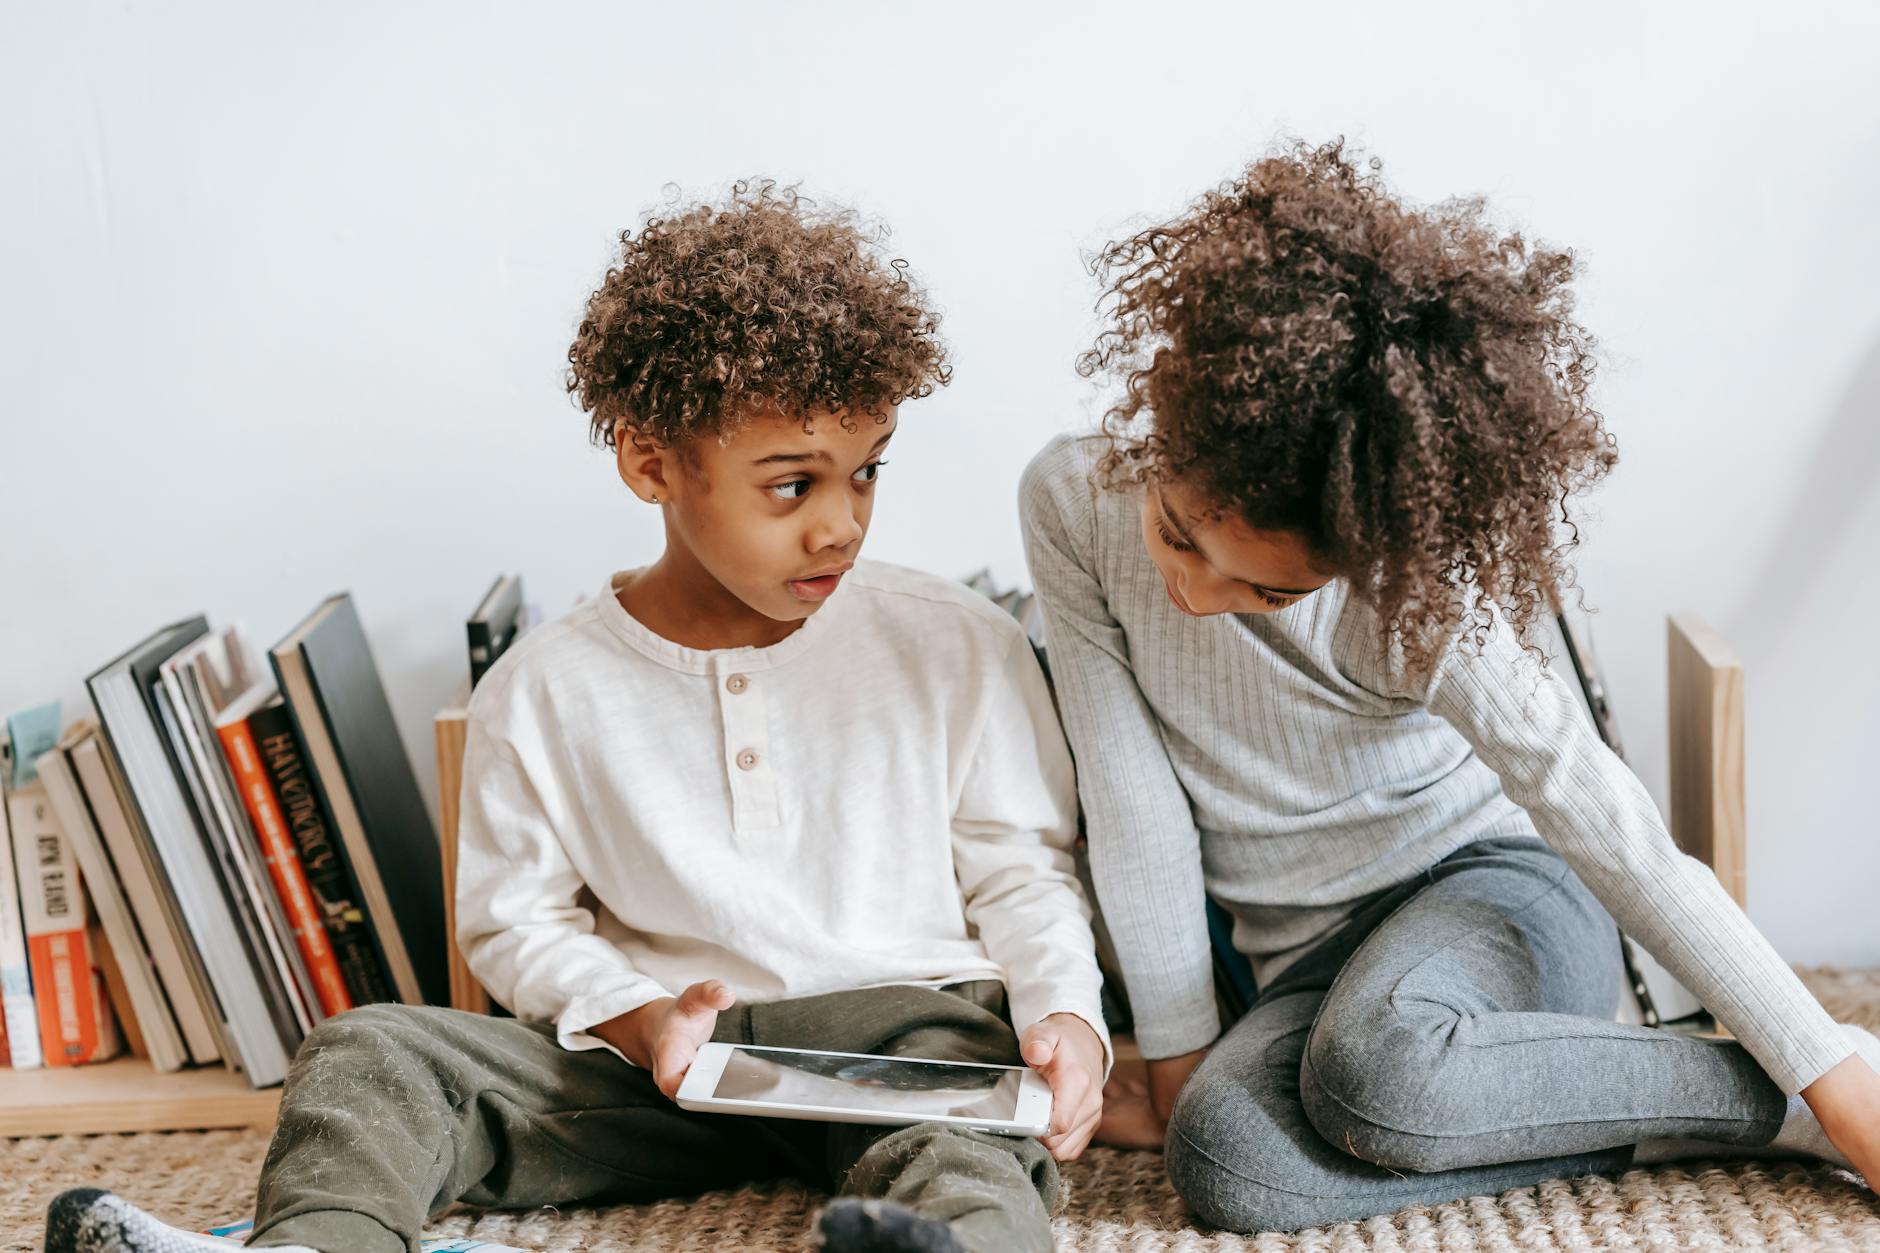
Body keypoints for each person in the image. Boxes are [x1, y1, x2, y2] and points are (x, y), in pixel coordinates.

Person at [48, 180, 1107, 1253]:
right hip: (662, 1064)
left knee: (968, 1145)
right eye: (791, 485)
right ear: (651, 462)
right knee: (371, 1050)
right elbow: (516, 918)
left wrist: (1066, 1015)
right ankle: (317, 1241)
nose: (840, 524)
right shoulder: (543, 683)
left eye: (865, 472)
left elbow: (1020, 866)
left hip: (898, 1040)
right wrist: (634, 1014)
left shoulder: (955, 638)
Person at [1019, 140, 1880, 1233]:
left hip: (1496, 891)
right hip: (1307, 961)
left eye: (1266, 591)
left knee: (1380, 1068)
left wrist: (1837, 1088)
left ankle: (1793, 1093)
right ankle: (1647, 1108)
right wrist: (1182, 1054)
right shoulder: (1066, 498)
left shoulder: (1414, 591)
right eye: (1177, 534)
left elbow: (1603, 821)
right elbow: (1130, 798)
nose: (1192, 594)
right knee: (1224, 1158)